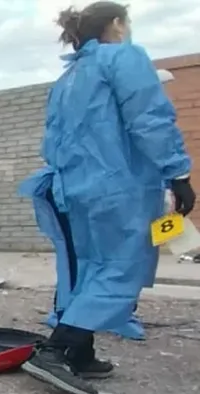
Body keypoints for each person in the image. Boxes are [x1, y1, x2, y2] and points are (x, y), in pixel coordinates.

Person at [19, 1, 195, 394]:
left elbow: (53, 139)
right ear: (116, 24)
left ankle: (80, 352)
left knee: (88, 269)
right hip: (119, 187)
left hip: (75, 189)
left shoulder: (68, 77)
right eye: (127, 21)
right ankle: (57, 351)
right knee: (122, 269)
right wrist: (178, 172)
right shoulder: (123, 58)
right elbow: (149, 117)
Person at [21, 69, 181, 343]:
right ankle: (65, 320)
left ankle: (115, 314)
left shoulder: (134, 125)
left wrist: (167, 190)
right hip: (77, 197)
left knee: (122, 260)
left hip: (121, 201)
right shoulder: (97, 119)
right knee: (78, 259)